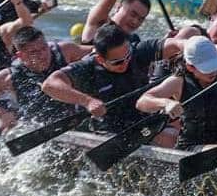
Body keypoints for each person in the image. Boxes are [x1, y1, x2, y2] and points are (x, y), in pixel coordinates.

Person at [42, 24, 184, 145]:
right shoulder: (88, 67)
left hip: (140, 123)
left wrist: (187, 46)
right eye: (117, 62)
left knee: (174, 132)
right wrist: (88, 101)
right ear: (100, 58)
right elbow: (50, 84)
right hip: (106, 132)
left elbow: (173, 45)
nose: (125, 62)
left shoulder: (138, 51)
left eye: (127, 56)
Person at [0, 26, 91, 131]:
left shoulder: (64, 51)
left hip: (79, 116)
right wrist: (3, 114)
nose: (42, 55)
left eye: (44, 48)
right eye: (34, 52)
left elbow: (98, 52)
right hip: (42, 127)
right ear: (20, 56)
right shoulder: (11, 76)